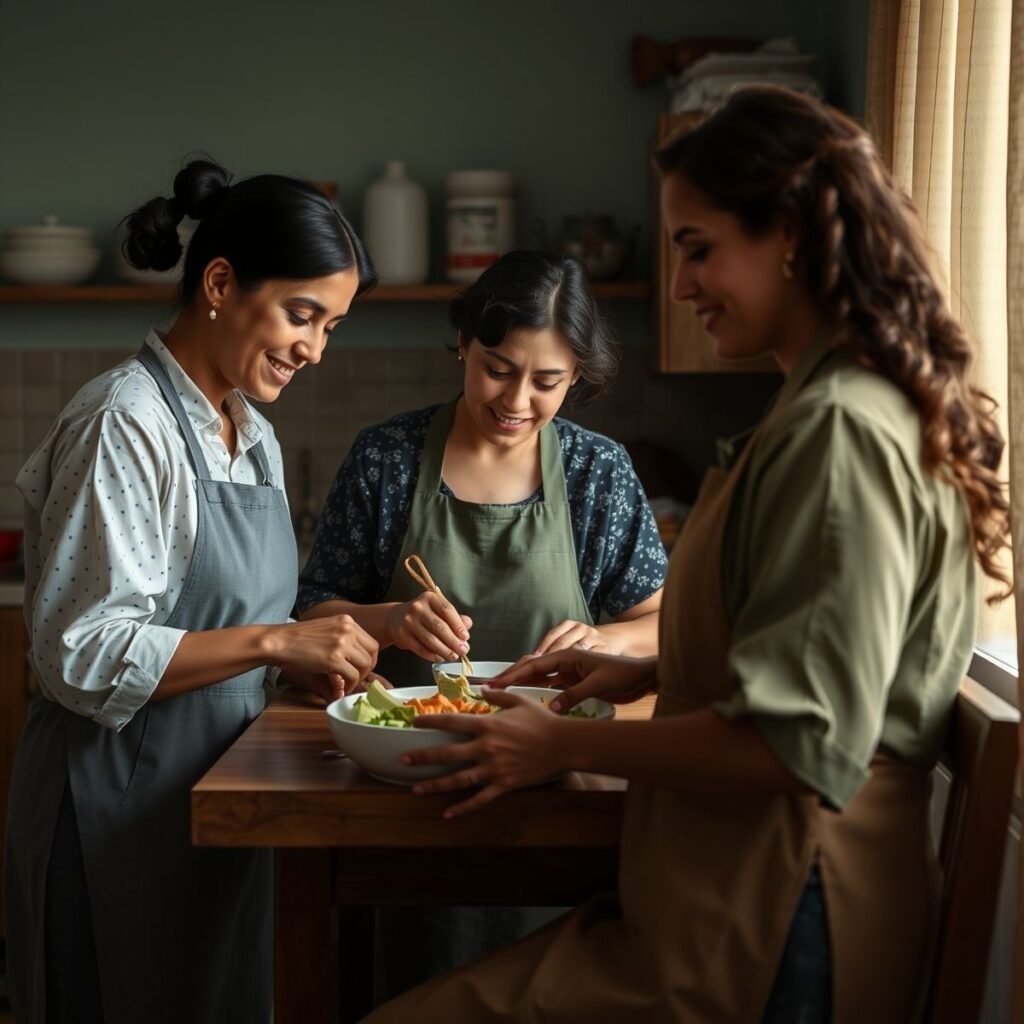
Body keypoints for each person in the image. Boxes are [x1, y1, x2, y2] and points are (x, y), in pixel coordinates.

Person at [360, 86, 1012, 1023]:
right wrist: (643, 668)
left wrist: (555, 739)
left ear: (789, 231)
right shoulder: (821, 409)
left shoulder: (839, 434)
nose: (680, 287)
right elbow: (812, 662)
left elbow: (801, 743)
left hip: (774, 916)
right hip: (721, 893)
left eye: (698, 249)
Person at [4, 158, 381, 1024]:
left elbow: (235, 624)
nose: (315, 349)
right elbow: (82, 655)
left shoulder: (250, 431)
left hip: (217, 800)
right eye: (302, 315)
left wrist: (319, 644)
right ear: (219, 283)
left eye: (331, 327)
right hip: (115, 810)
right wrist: (278, 643)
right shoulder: (124, 422)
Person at [296, 249, 667, 997]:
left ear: (576, 378)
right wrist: (387, 619)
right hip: (401, 786)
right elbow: (315, 613)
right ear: (463, 341)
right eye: (498, 367)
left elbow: (659, 623)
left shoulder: (599, 472)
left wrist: (604, 640)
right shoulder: (387, 458)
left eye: (548, 381)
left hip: (553, 788)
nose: (517, 399)